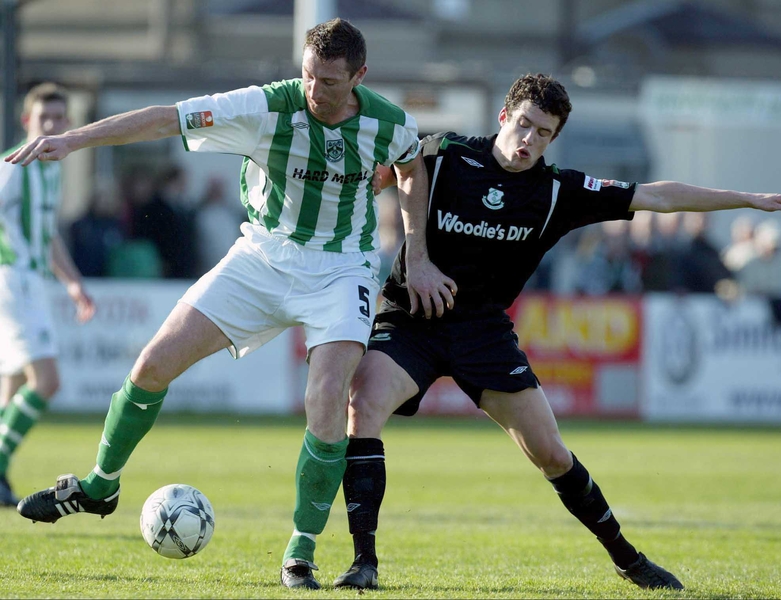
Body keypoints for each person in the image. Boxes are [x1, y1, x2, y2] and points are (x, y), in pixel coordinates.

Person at [7, 19, 451, 590]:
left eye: (330, 82)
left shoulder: (388, 122)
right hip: (261, 257)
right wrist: (75, 141)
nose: (315, 90)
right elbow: (166, 118)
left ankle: (301, 549)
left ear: (359, 77)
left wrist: (416, 254)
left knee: (326, 397)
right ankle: (100, 486)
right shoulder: (266, 106)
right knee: (149, 368)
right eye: (309, 75)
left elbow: (412, 166)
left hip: (342, 269)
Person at [332, 73, 781, 592]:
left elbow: (657, 198)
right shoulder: (446, 153)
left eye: (544, 133)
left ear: (554, 139)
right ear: (504, 117)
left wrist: (747, 199)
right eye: (525, 125)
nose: (529, 140)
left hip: (482, 333)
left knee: (552, 454)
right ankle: (363, 562)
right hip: (412, 319)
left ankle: (628, 558)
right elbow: (383, 172)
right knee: (362, 407)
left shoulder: (558, 192)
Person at [0, 83, 96, 507]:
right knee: (47, 381)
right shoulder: (14, 166)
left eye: (59, 118)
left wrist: (72, 282)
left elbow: (47, 234)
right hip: (13, 279)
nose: (52, 125)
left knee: (13, 386)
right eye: (44, 119)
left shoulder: (51, 169)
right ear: (27, 123)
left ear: (68, 124)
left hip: (32, 280)